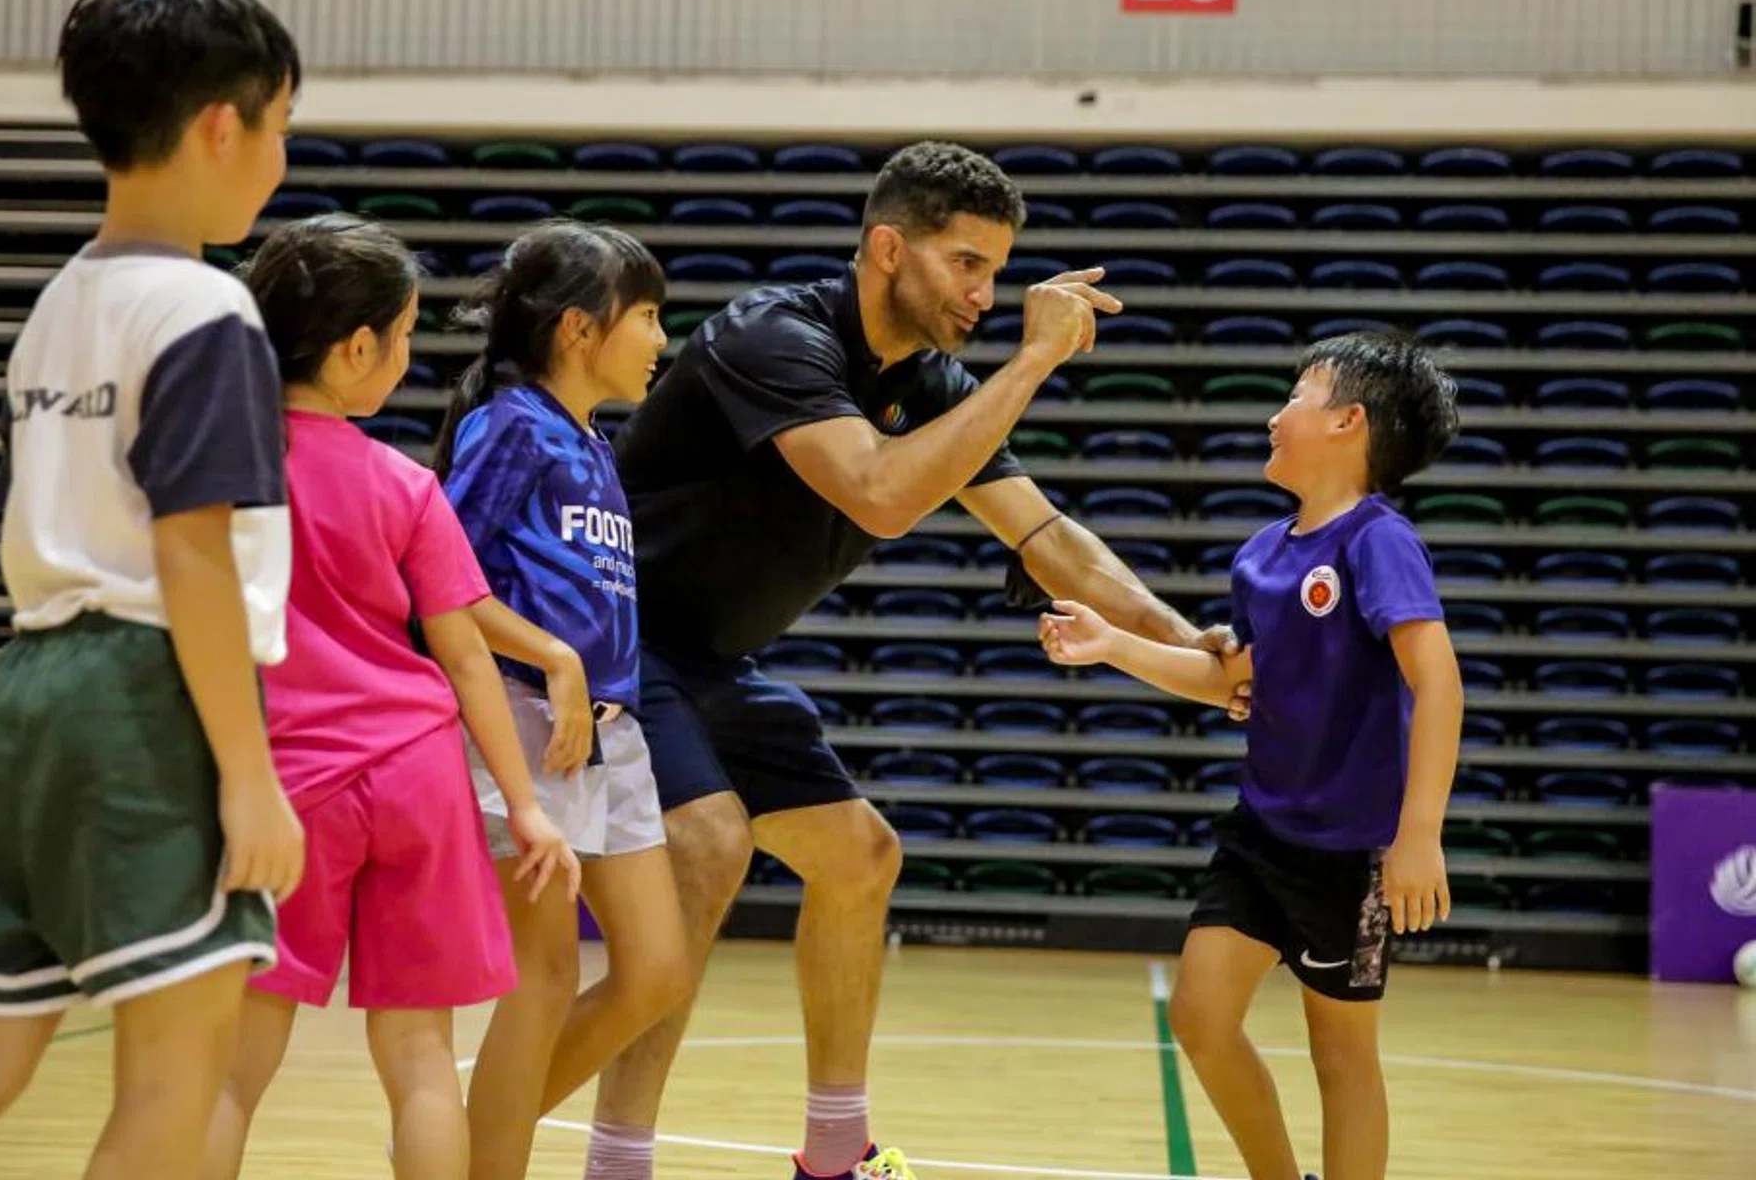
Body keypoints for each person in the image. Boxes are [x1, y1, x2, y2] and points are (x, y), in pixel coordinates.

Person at [596, 140, 1245, 1180]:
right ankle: (615, 1162)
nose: (987, 293)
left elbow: (1053, 541)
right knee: (708, 846)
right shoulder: (774, 335)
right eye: (966, 263)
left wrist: (1192, 642)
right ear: (889, 247)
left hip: (713, 658)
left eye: (997, 269)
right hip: (616, 645)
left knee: (861, 858)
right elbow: (881, 493)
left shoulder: (938, 384)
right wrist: (1031, 361)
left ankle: (834, 1154)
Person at [0, 0, 305, 1180]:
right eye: (281, 126)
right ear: (221, 124)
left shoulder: (53, 309)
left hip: (24, 697)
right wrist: (250, 778)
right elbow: (190, 548)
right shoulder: (208, 308)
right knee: (171, 1074)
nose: (280, 157)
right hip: (146, 701)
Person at [199, 215, 580, 1180]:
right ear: (355, 347)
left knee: (232, 1073)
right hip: (418, 780)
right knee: (419, 1066)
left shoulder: (223, 470)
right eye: (405, 336)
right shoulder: (407, 484)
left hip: (292, 784)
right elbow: (465, 659)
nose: (409, 357)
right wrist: (526, 807)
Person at [1039, 330, 1464, 1180]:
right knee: (1199, 1015)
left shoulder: (1377, 541)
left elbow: (1440, 683)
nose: (1274, 416)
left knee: (1341, 1056)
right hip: (1262, 832)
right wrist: (1110, 643)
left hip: (1354, 853)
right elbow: (1235, 682)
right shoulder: (1261, 555)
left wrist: (1419, 836)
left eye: (1295, 398)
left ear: (1348, 421)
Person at [430, 221, 692, 1180]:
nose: (663, 338)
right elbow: (439, 578)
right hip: (528, 720)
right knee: (540, 977)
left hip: (608, 737)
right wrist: (557, 660)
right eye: (651, 316)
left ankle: (460, 1144)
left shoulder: (588, 439)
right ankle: (480, 1161)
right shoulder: (512, 423)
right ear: (582, 330)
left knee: (657, 967)